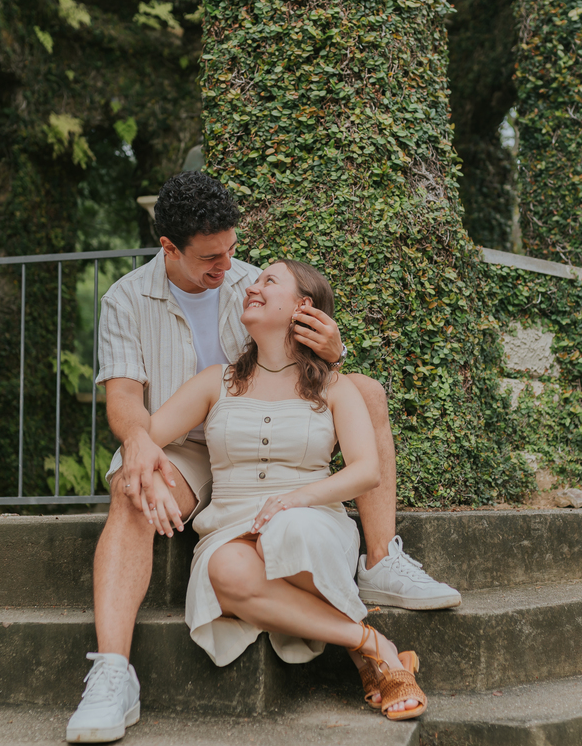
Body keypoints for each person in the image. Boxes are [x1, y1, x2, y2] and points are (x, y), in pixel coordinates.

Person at [65, 172, 456, 743]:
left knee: (365, 390)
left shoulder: (254, 285)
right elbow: (125, 400)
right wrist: (140, 444)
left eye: (231, 251)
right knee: (131, 486)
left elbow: (320, 364)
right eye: (210, 259)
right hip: (179, 442)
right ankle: (111, 674)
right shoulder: (126, 298)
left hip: (247, 434)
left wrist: (335, 350)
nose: (228, 269)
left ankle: (379, 558)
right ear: (168, 247)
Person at [149, 259, 426, 720]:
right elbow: (147, 434)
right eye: (255, 281)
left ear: (303, 306)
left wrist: (297, 498)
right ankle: (371, 643)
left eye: (267, 280)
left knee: (290, 529)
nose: (252, 287)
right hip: (230, 529)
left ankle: (375, 656)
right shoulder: (215, 382)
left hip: (312, 521)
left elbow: (365, 471)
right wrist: (150, 473)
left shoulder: (335, 388)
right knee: (226, 571)